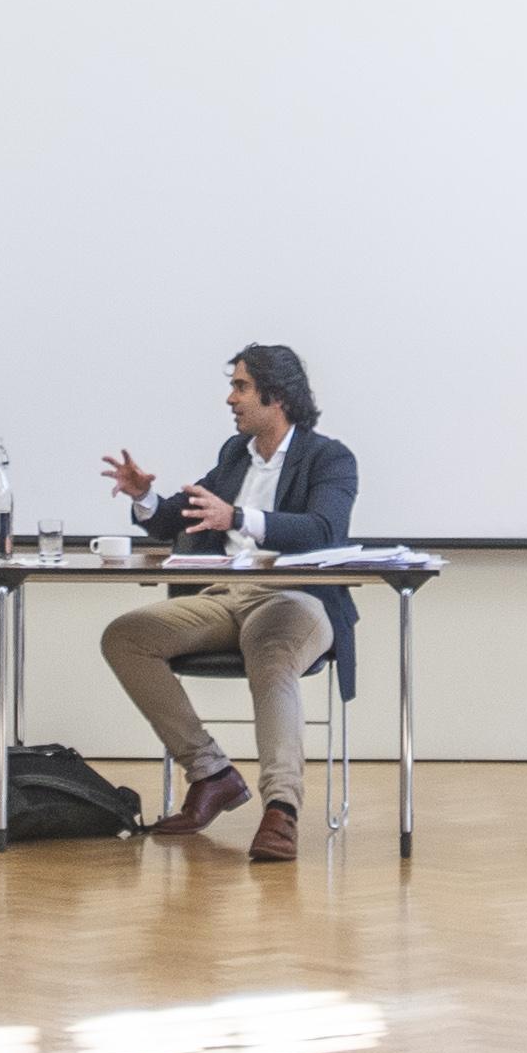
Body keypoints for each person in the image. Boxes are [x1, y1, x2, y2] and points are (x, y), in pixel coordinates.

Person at [94, 343, 362, 861]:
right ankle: (211, 772)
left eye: (240, 387)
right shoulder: (235, 454)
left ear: (276, 396)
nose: (230, 399)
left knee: (271, 651)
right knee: (126, 636)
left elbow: (325, 530)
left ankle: (281, 808)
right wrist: (144, 497)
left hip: (298, 598)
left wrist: (239, 519)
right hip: (225, 594)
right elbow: (187, 515)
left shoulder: (329, 457)